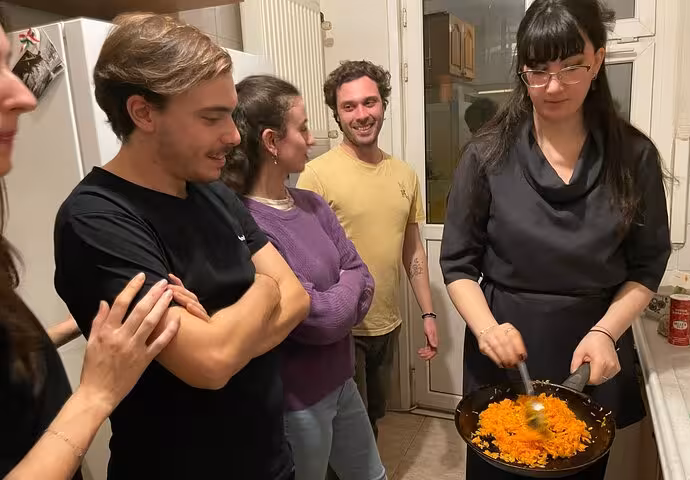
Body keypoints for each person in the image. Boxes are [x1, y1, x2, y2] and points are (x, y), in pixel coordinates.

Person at [53, 14, 309, 480]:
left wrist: (230, 336)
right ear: (143, 113)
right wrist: (265, 292)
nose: (233, 135)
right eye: (212, 117)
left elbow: (299, 297)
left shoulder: (211, 189)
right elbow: (210, 364)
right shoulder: (97, 219)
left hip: (269, 461)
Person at [439, 0, 671, 479]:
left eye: (571, 67)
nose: (553, 86)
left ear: (599, 61)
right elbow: (458, 264)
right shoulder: (487, 154)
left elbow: (647, 267)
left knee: (575, 466)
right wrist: (487, 329)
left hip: (593, 349)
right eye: (538, 70)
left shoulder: (634, 156)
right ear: (522, 70)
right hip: (504, 345)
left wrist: (607, 332)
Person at [0, 21, 181, 480]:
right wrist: (96, 393)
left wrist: (82, 326)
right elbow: (212, 363)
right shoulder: (93, 214)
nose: (23, 96)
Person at [223, 75, 386, 480]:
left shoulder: (312, 203)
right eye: (303, 128)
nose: (311, 139)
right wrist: (345, 289)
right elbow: (319, 320)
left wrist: (337, 293)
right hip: (296, 401)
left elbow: (363, 276)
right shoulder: (246, 223)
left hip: (342, 381)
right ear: (271, 141)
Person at [297, 60, 439, 438]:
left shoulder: (405, 174)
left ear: (383, 105)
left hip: (387, 324)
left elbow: (413, 251)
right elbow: (305, 257)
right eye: (349, 107)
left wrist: (428, 313)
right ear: (338, 115)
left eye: (369, 103)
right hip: (341, 328)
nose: (362, 115)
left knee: (375, 414)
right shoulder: (317, 174)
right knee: (346, 427)